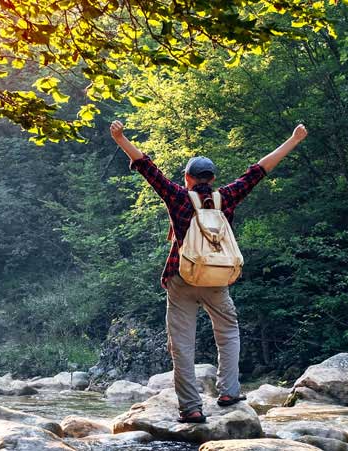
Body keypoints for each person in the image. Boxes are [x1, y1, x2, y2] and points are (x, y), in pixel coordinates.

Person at [109, 120, 308, 423]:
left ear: (188, 178)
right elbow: (259, 170)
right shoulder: (225, 197)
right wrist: (294, 139)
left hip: (182, 277)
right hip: (217, 277)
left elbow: (146, 167)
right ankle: (229, 391)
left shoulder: (177, 196)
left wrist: (121, 138)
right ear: (212, 178)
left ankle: (191, 408)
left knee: (182, 345)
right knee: (228, 332)